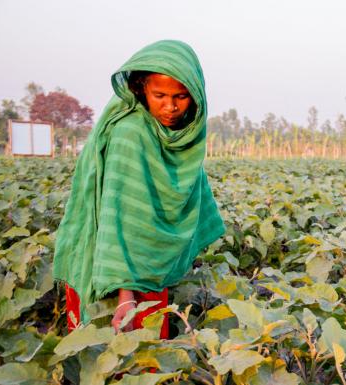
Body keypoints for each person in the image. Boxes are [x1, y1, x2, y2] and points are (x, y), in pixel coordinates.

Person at [53, 40, 225, 337]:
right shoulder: (130, 133)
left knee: (144, 364)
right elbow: (117, 218)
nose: (170, 107)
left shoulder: (177, 137)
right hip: (109, 275)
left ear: (196, 96)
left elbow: (187, 202)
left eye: (181, 97)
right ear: (140, 89)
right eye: (159, 95)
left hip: (147, 271)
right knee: (113, 358)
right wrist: (126, 298)